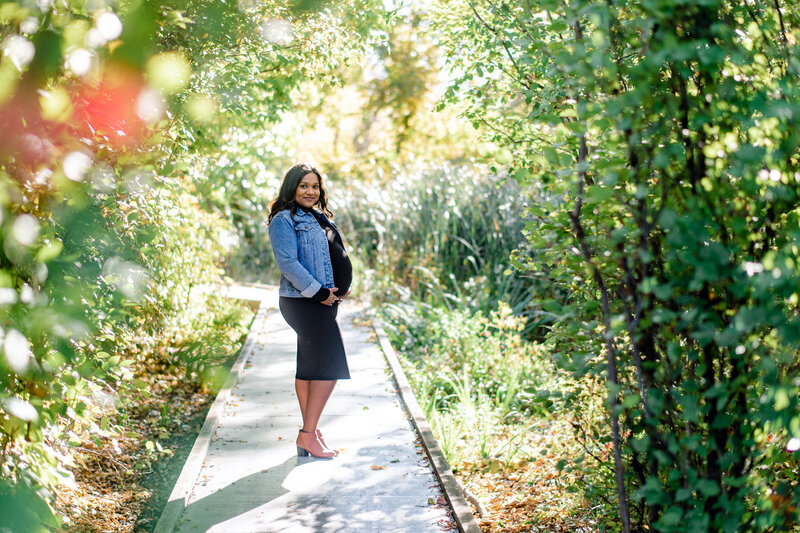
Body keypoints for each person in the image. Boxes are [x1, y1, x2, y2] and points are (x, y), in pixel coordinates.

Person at [267, 163, 352, 459]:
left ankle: (310, 432)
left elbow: (330, 256)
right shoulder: (283, 219)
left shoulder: (316, 217)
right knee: (329, 367)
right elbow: (288, 262)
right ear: (292, 187)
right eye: (304, 185)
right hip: (303, 301)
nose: (310, 191)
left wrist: (340, 286)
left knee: (310, 366)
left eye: (315, 186)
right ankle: (308, 434)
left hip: (321, 300)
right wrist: (319, 293)